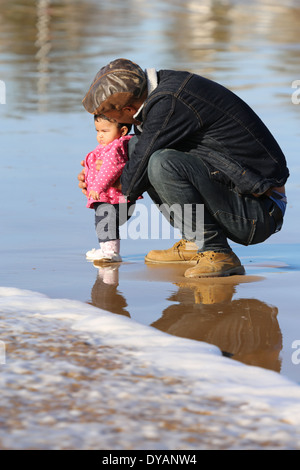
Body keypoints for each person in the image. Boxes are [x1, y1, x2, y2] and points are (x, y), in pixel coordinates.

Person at [79, 58, 289, 277]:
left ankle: (217, 252)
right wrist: (101, 173)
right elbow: (134, 158)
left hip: (260, 210)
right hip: (242, 195)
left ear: (130, 109)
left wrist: (102, 186)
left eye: (115, 120)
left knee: (160, 161)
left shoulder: (168, 103)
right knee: (136, 148)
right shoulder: (159, 90)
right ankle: (194, 242)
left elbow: (131, 184)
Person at [84, 113, 134, 263]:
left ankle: (111, 252)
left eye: (105, 131)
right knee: (104, 223)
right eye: (97, 131)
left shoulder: (115, 148)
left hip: (112, 197)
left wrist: (98, 188)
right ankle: (106, 250)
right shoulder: (108, 147)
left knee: (105, 221)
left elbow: (111, 169)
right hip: (110, 196)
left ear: (123, 131)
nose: (100, 136)